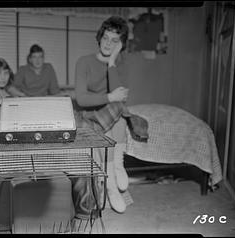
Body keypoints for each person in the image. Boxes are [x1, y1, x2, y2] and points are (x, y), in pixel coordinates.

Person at [74, 16, 148, 214]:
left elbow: (118, 97)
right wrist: (109, 96)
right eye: (105, 38)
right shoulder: (84, 62)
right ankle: (111, 183)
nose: (108, 43)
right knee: (120, 110)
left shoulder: (119, 65)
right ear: (99, 38)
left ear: (121, 44)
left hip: (111, 114)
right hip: (90, 116)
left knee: (120, 110)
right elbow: (81, 99)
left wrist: (112, 62)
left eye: (114, 40)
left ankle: (116, 170)